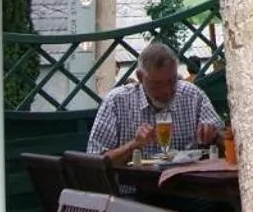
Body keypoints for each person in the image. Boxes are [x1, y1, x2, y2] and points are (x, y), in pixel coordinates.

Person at [87, 43, 222, 163]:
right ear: (140, 77)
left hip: (185, 187)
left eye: (172, 81)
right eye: (157, 84)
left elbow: (226, 140)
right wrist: (134, 144)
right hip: (133, 188)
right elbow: (95, 162)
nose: (167, 91)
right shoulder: (116, 101)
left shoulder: (192, 95)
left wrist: (213, 134)